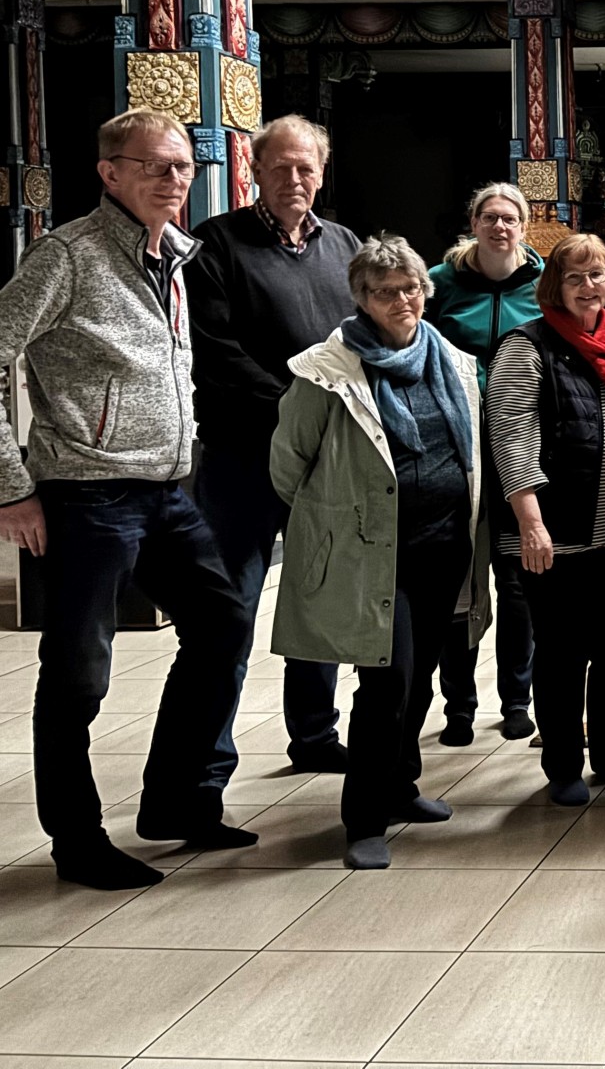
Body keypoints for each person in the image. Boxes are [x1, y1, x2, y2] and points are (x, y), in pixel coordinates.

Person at [0, 111, 255, 889]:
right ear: (109, 172)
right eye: (154, 166)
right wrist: (11, 489)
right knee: (79, 673)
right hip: (85, 493)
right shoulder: (66, 256)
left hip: (165, 489)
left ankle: (174, 802)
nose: (172, 180)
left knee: (222, 626)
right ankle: (75, 840)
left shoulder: (176, 256)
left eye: (181, 167)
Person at [271, 235, 487, 869]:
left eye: (412, 288)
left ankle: (400, 788)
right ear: (361, 298)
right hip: (373, 552)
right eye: (386, 292)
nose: (403, 301)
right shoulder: (326, 370)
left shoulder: (449, 357)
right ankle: (363, 817)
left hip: (443, 544)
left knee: (417, 675)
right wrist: (333, 524)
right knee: (385, 680)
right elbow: (289, 465)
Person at [185, 113, 361, 780]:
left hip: (324, 458)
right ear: (253, 169)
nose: (294, 178)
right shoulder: (216, 244)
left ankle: (315, 736)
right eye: (280, 166)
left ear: (321, 172)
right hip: (243, 459)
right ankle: (206, 762)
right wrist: (299, 405)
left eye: (305, 167)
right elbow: (215, 352)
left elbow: (359, 342)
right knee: (228, 609)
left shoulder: (343, 245)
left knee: (319, 600)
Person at [487, 233, 605, 806]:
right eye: (575, 277)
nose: (589, 286)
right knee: (563, 655)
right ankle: (563, 761)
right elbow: (511, 437)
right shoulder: (528, 347)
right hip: (560, 536)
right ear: (554, 286)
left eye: (597, 275)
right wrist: (531, 522)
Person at [425, 181, 544, 746]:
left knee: (518, 582)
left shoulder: (543, 284)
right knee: (459, 584)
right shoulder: (439, 283)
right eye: (489, 217)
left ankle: (516, 699)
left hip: (522, 447)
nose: (500, 227)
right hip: (457, 446)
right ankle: (459, 706)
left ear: (524, 226)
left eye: (510, 218)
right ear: (473, 224)